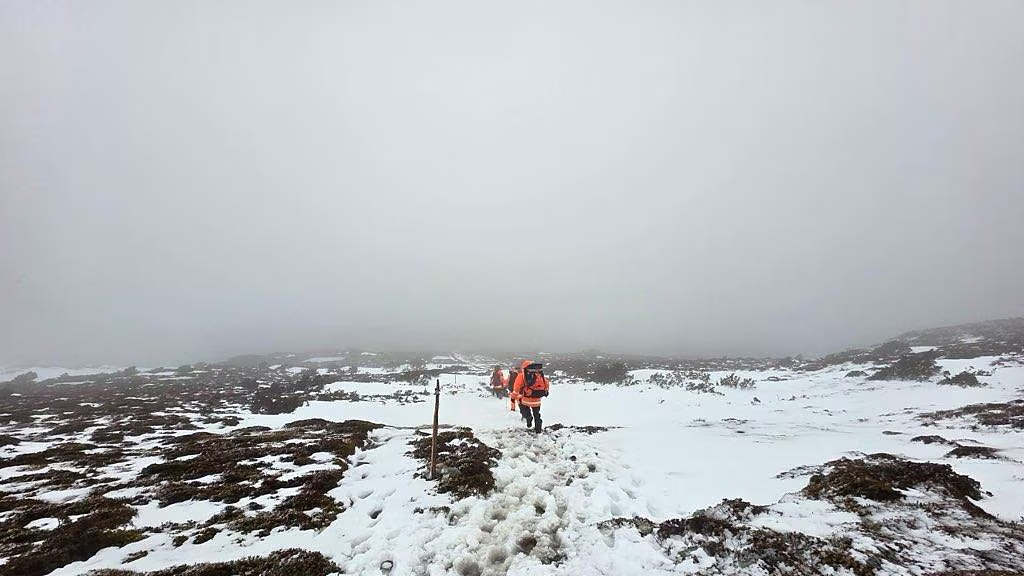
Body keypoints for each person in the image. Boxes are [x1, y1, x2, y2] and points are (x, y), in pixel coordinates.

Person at [511, 360, 550, 433]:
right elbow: (546, 384)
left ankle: (529, 418)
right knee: (537, 415)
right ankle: (538, 430)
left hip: (526, 398)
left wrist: (513, 397)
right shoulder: (539, 374)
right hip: (537, 400)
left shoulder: (522, 375)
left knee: (524, 409)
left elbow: (516, 388)